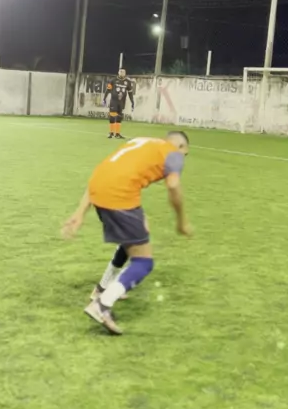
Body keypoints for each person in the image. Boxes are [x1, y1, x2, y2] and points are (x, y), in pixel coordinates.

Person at [62, 132, 192, 335]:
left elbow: (105, 171)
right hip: (119, 196)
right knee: (144, 262)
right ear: (181, 146)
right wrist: (182, 221)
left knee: (137, 234)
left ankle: (102, 288)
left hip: (99, 190)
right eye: (186, 154)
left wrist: (80, 212)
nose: (183, 158)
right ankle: (102, 305)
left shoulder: (141, 142)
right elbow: (174, 185)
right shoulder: (173, 154)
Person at [103, 68, 134, 139]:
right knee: (112, 116)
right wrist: (104, 98)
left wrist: (132, 101)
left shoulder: (128, 82)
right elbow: (108, 90)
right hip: (114, 101)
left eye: (123, 72)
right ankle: (111, 133)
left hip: (122, 101)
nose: (122, 73)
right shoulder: (113, 80)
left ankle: (117, 134)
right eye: (120, 71)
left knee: (119, 117)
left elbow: (130, 92)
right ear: (118, 72)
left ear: (125, 73)